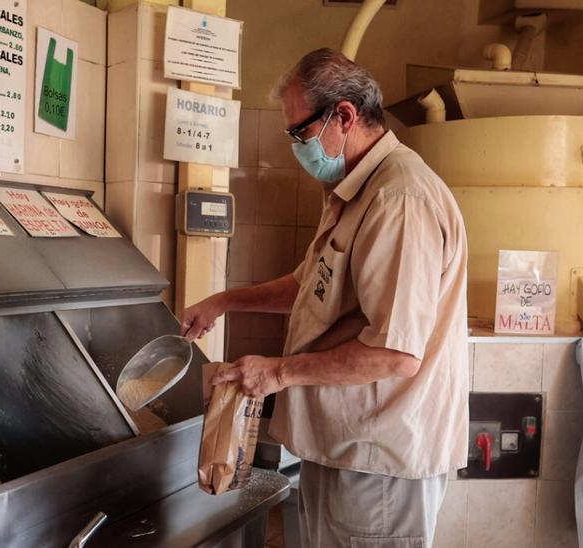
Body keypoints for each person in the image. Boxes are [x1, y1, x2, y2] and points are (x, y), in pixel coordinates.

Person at [180, 48, 469, 547]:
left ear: (344, 115)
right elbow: (312, 288)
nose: (296, 146)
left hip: (379, 462)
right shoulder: (357, 189)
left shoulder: (399, 199)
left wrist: (275, 373)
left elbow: (395, 353)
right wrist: (224, 301)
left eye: (300, 133)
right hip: (345, 447)